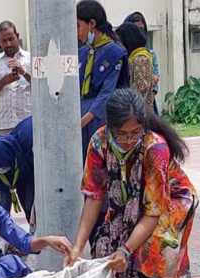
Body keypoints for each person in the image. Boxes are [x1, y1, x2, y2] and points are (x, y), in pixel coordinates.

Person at [65, 89, 197, 278]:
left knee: (148, 245)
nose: (128, 140)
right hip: (129, 201)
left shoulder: (155, 147)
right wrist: (78, 247)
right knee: (104, 242)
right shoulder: (99, 142)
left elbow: (153, 211)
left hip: (170, 200)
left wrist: (125, 250)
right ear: (109, 127)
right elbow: (94, 197)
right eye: (121, 134)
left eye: (135, 133)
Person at [77, 0, 129, 164]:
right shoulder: (82, 53)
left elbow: (106, 93)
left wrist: (84, 120)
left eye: (78, 26)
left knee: (100, 164)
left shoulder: (114, 53)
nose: (76, 32)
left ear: (92, 24)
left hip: (100, 117)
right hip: (80, 114)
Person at [0, 116, 34, 227]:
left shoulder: (28, 144)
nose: (1, 170)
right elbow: (5, 193)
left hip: (32, 167)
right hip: (20, 169)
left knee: (30, 203)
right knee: (20, 203)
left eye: (3, 167)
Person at [0, 21, 32, 135]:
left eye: (11, 39)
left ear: (17, 36)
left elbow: (40, 88)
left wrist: (23, 72)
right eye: (4, 41)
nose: (8, 44)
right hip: (4, 125)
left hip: (27, 122)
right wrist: (4, 81)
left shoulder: (30, 59)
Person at [125, 12, 160, 115]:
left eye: (141, 29)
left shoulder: (149, 54)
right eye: (135, 29)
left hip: (146, 105)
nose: (139, 33)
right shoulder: (123, 54)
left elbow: (154, 80)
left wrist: (148, 106)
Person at [116, 22, 154, 109]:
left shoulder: (140, 59)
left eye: (120, 42)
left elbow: (141, 92)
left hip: (139, 114)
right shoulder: (133, 58)